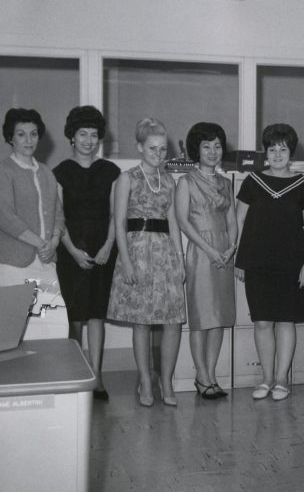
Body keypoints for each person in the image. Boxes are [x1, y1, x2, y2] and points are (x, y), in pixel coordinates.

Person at [107, 118, 186, 407]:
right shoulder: (126, 178)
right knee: (142, 322)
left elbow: (174, 222)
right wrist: (126, 261)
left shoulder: (169, 180)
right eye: (153, 148)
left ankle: (166, 380)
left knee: (173, 321)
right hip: (137, 250)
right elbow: (118, 225)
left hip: (165, 252)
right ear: (140, 147)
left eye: (163, 149)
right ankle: (145, 380)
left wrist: (179, 259)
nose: (159, 154)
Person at [234, 123, 304, 402]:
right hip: (257, 263)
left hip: (291, 265)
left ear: (291, 152)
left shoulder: (303, 184)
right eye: (273, 149)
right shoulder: (252, 181)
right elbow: (239, 221)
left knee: (285, 322)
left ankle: (282, 380)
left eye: (283, 149)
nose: (278, 154)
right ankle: (266, 379)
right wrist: (238, 258)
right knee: (262, 322)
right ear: (265, 152)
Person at [53, 106, 120, 401]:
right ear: (72, 137)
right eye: (83, 134)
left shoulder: (110, 171)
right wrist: (72, 250)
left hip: (103, 250)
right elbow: (58, 217)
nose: (89, 140)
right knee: (73, 317)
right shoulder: (60, 173)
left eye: (94, 135)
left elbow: (116, 215)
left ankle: (97, 378)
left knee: (96, 315)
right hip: (71, 252)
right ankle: (74, 377)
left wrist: (108, 245)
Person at [175, 122, 237, 400]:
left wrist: (231, 246)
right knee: (201, 318)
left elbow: (232, 220)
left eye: (217, 145)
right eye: (206, 146)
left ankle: (211, 375)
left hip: (224, 252)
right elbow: (182, 221)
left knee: (219, 317)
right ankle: (201, 376)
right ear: (195, 150)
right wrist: (209, 250)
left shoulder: (226, 183)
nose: (213, 151)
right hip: (200, 253)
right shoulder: (186, 181)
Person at [0, 108, 64, 287]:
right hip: (12, 263)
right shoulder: (2, 172)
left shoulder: (47, 173)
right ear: (10, 138)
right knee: (12, 315)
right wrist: (40, 243)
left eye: (34, 134)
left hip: (46, 260)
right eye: (21, 134)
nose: (29, 140)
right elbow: (4, 216)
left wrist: (53, 242)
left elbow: (58, 215)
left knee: (48, 315)